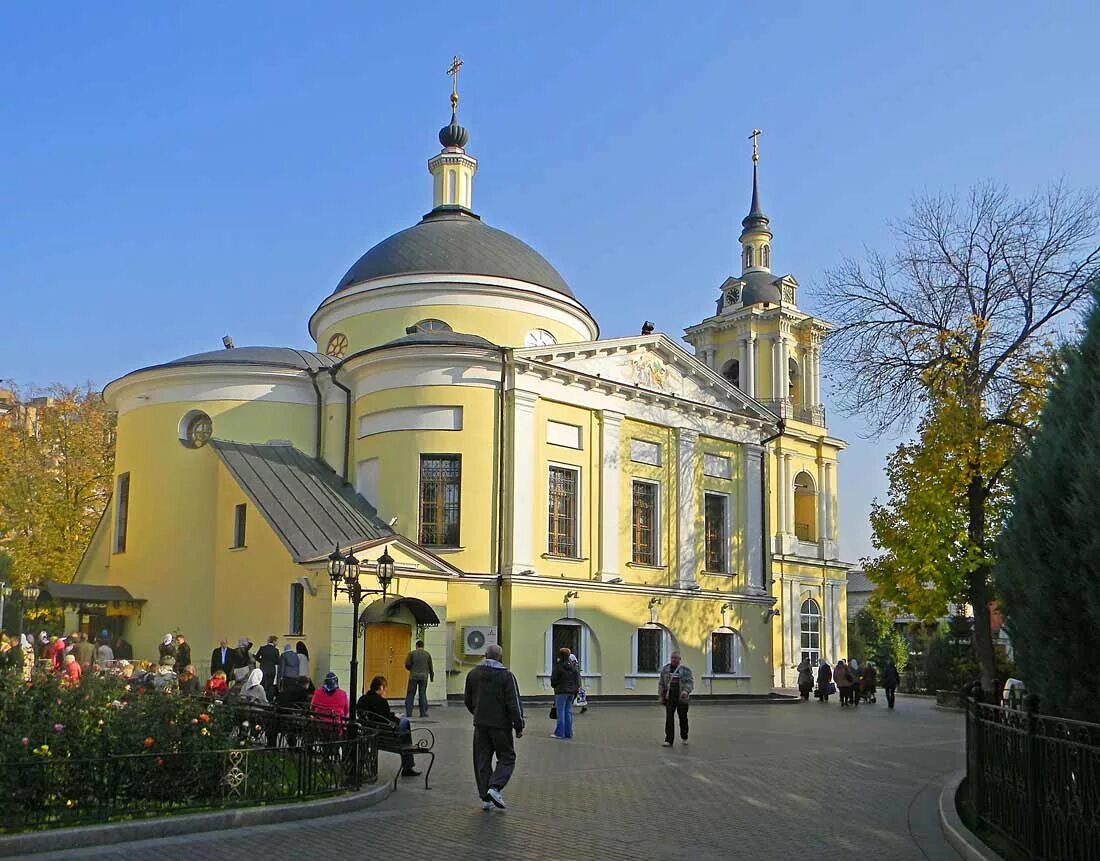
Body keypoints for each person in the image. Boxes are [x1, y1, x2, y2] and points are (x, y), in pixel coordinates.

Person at [464, 643, 524, 811]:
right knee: (507, 757)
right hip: (501, 726)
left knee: (482, 759)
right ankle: (495, 787)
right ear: (500, 657)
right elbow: (514, 704)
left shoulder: (473, 674)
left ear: (485, 655)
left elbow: (467, 700)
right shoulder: (506, 676)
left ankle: (485, 798)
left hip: (480, 724)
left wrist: (477, 713)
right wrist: (518, 726)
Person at [358, 675, 420, 777]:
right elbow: (387, 721)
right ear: (381, 687)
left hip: (369, 734)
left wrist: (392, 715)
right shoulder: (382, 702)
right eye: (385, 688)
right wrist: (397, 718)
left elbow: (379, 716)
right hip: (385, 737)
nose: (385, 691)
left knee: (402, 723)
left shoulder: (362, 700)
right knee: (405, 723)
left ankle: (408, 765)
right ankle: (408, 766)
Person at [658, 651, 694, 746]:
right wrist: (661, 696)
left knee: (683, 718)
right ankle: (669, 740)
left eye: (676, 658)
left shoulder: (685, 670)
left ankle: (684, 736)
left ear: (679, 659)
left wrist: (686, 691)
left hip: (681, 697)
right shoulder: (665, 669)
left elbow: (689, 682)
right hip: (669, 697)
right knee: (669, 718)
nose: (673, 659)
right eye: (672, 657)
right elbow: (661, 683)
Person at [549, 647, 581, 739]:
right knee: (568, 712)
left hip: (561, 691)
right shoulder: (573, 666)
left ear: (561, 655)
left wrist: (554, 686)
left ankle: (559, 733)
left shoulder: (558, 666)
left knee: (561, 712)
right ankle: (568, 733)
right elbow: (577, 679)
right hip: (571, 692)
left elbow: (554, 679)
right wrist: (575, 689)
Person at [404, 640, 434, 719]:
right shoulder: (427, 654)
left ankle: (409, 713)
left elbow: (407, 664)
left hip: (413, 677)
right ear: (423, 646)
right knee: (422, 694)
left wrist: (411, 669)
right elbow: (430, 667)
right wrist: (431, 677)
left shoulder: (412, 653)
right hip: (424, 677)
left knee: (410, 694)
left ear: (416, 646)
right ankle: (423, 713)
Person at [254, 635, 280, 700]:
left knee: (262, 685)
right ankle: (268, 700)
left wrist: (262, 661)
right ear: (273, 641)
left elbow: (256, 657)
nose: (277, 643)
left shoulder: (262, 648)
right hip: (271, 670)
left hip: (263, 669)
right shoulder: (276, 650)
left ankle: (261, 699)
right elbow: (277, 661)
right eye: (276, 642)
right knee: (270, 686)